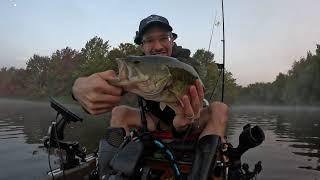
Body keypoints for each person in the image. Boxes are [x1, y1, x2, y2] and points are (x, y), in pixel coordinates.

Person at [72, 14, 228, 179]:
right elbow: (105, 85)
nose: (157, 46)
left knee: (219, 109)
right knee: (119, 112)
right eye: (149, 40)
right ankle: (109, 173)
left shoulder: (187, 64)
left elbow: (193, 92)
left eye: (163, 38)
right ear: (142, 46)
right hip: (155, 123)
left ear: (172, 40)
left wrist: (185, 122)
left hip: (192, 121)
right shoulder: (143, 66)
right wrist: (77, 89)